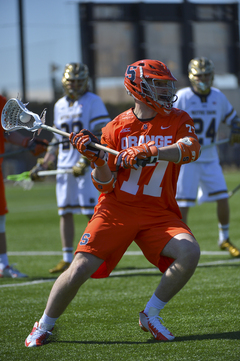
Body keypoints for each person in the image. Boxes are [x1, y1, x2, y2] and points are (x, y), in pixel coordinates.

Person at [25, 58, 201, 347]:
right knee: (80, 266)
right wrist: (95, 159)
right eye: (157, 85)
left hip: (158, 212)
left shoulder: (178, 119)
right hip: (116, 209)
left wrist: (153, 150)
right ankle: (44, 324)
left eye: (166, 85)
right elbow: (104, 184)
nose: (166, 92)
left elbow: (190, 149)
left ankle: (151, 314)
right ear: (138, 89)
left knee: (190, 251)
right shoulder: (116, 129)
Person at [30, 63, 111, 274]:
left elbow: (102, 133)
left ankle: (102, 255)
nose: (75, 85)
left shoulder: (93, 101)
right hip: (66, 166)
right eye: (71, 81)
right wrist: (44, 163)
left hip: (86, 166)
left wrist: (85, 161)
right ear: (65, 83)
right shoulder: (59, 105)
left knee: (91, 212)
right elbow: (57, 140)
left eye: (78, 81)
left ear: (85, 82)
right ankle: (67, 258)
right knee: (65, 211)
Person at [174, 57, 240, 258]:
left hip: (210, 157)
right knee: (183, 204)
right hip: (187, 159)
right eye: (199, 75)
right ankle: (180, 243)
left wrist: (236, 129)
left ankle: (224, 238)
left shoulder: (218, 96)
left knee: (222, 197)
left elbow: (233, 118)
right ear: (192, 77)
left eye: (206, 75)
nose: (203, 79)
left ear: (212, 76)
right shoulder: (183, 96)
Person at [0, 94, 49, 278]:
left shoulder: (1, 102)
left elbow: (6, 131)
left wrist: (27, 143)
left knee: (0, 218)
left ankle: (3, 266)